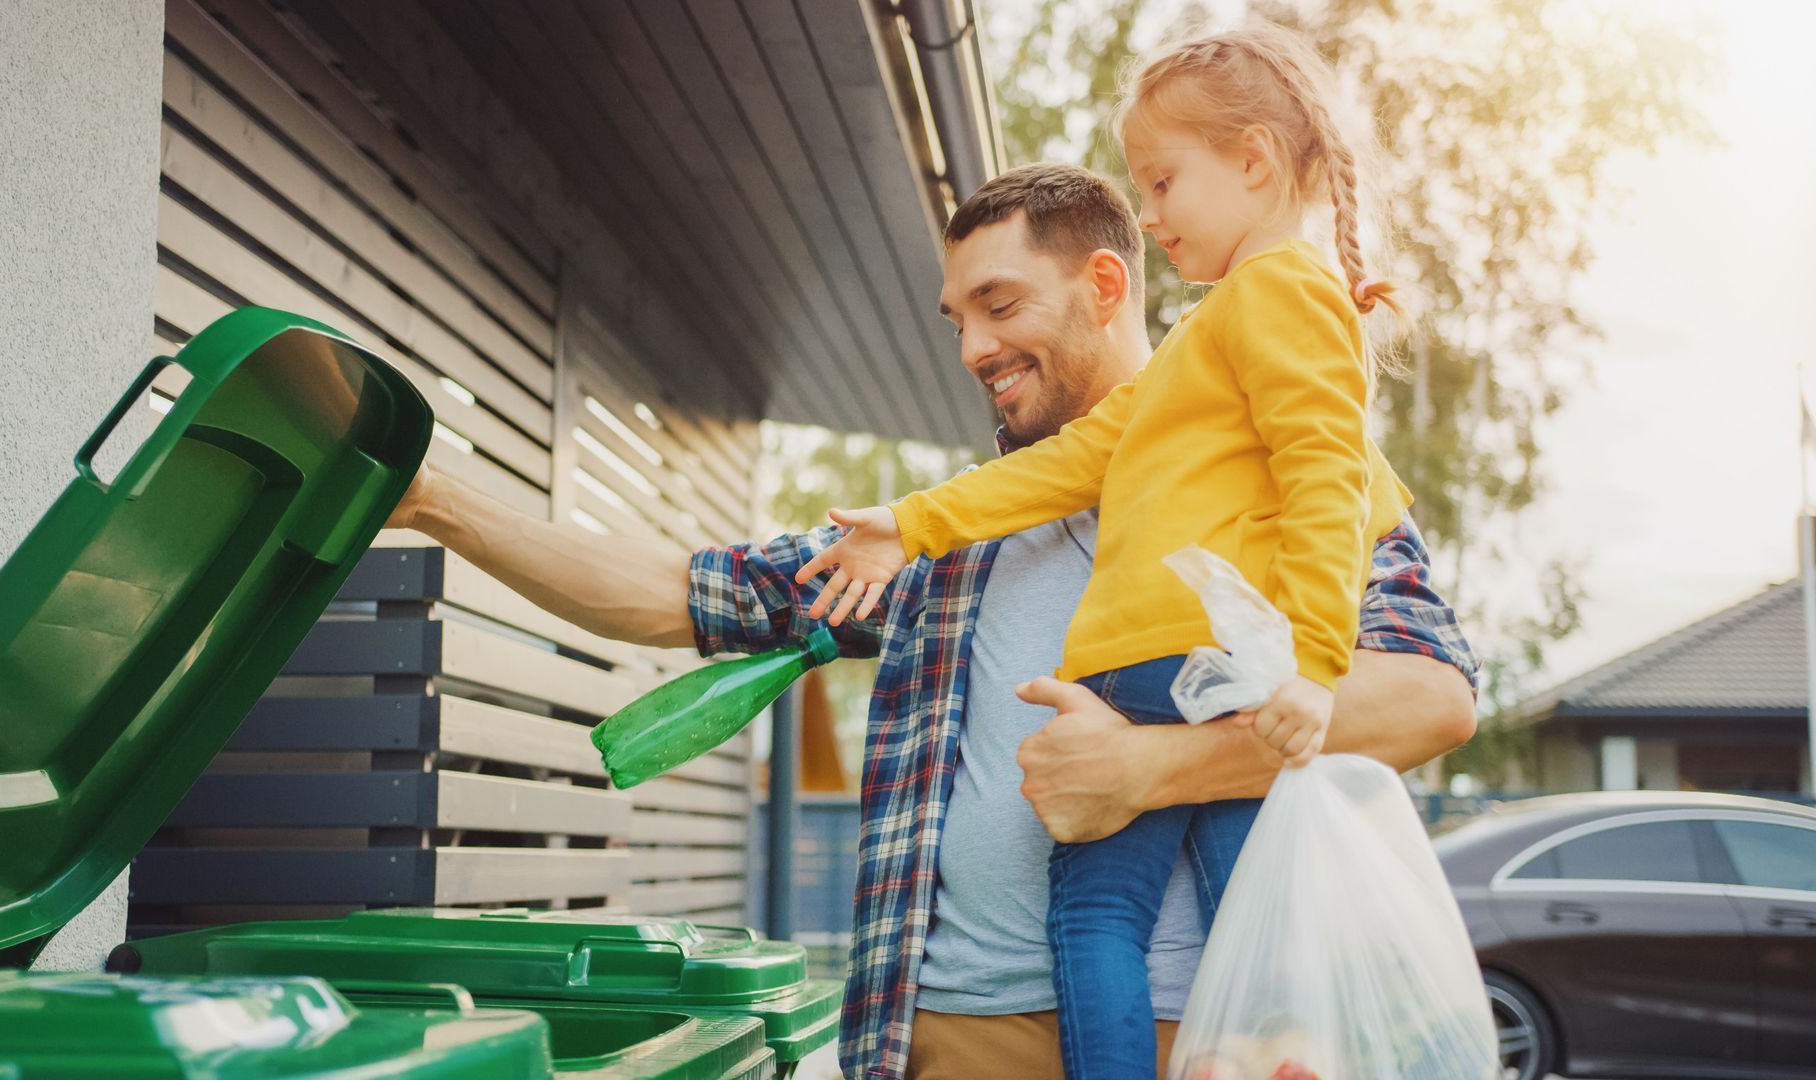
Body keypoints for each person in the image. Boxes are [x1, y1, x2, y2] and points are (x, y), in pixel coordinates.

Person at [384, 165, 1478, 1080]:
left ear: (1106, 285)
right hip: (946, 1035)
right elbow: (681, 593)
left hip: (1197, 1039)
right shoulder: (942, 540)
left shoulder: (1290, 466)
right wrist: (437, 502)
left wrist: (1151, 768)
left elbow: (1430, 699)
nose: (971, 350)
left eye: (1001, 306)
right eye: (957, 320)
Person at [793, 25, 1416, 1078]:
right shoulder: (1210, 337)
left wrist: (1314, 662)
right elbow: (1074, 461)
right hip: (1186, 670)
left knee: (1096, 917)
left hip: (1169, 666)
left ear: (1256, 162)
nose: (1154, 214)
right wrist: (914, 523)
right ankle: (1274, 1047)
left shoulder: (1278, 293)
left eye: (1165, 183)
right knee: (1243, 896)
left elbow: (1329, 481)